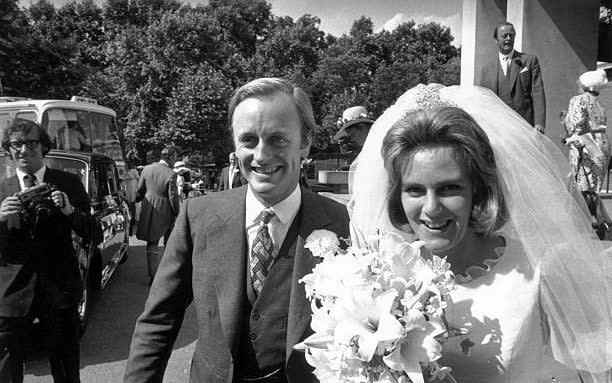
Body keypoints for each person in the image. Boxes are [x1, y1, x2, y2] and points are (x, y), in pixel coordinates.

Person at [349, 84, 611, 382]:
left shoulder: (539, 272)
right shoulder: (382, 281)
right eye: (415, 190)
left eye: (450, 188)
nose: (432, 208)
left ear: (478, 189)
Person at [124, 77, 350, 383]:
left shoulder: (343, 224)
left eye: (277, 139)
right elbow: (158, 321)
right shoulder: (198, 216)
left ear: (305, 142)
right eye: (248, 140)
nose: (260, 155)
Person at [0, 118, 99, 383]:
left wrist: (69, 211)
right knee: (6, 372)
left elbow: (93, 233)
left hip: (59, 291)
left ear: (44, 146)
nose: (23, 150)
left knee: (66, 369)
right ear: (8, 150)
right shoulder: (1, 189)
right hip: (11, 295)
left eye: (31, 142)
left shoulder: (68, 183)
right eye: (16, 144)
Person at [478, 21, 546, 133]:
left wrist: (539, 123)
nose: (508, 38)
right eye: (504, 36)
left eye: (511, 35)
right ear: (496, 40)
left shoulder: (529, 61)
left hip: (525, 125)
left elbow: (537, 92)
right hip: (497, 127)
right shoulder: (486, 69)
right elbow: (483, 100)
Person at [135, 147, 179, 285]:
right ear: (170, 157)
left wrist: (137, 200)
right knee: (169, 243)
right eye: (175, 157)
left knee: (152, 243)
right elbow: (173, 197)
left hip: (149, 207)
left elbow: (140, 190)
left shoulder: (146, 169)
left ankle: (153, 276)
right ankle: (166, 275)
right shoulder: (171, 174)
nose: (176, 160)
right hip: (165, 210)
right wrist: (178, 213)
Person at [564, 69, 610, 192]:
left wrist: (566, 124)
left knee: (582, 189)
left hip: (586, 145)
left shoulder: (578, 100)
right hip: (602, 145)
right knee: (595, 189)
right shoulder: (600, 103)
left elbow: (576, 123)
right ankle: (594, 211)